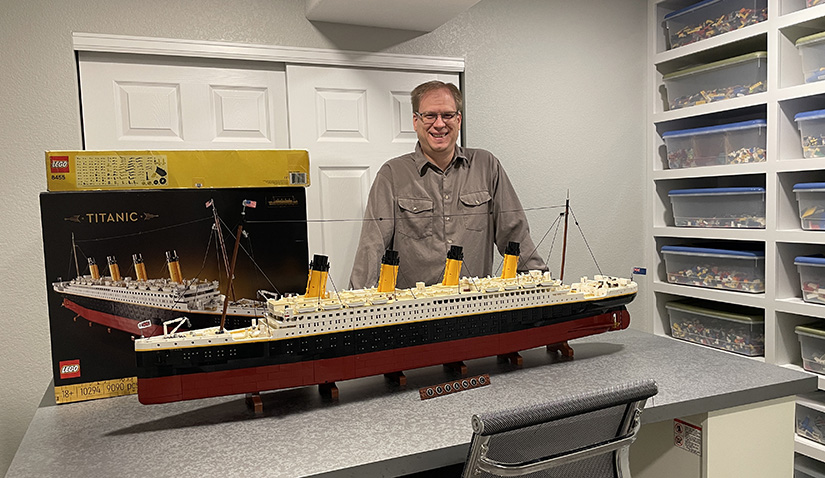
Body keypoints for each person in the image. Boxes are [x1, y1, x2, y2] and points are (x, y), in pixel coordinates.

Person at [348, 80, 547, 289]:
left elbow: (515, 234)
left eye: (448, 115)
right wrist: (356, 305)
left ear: (459, 120)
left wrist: (543, 286)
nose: (440, 124)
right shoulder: (392, 175)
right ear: (415, 121)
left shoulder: (487, 166)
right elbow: (371, 247)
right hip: (414, 311)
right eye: (430, 115)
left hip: (475, 307)